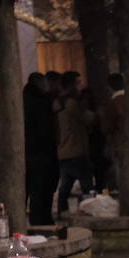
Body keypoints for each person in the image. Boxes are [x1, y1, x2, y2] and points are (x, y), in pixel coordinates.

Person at [55, 71, 93, 218]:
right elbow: (88, 119)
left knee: (65, 187)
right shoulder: (72, 103)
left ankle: (61, 215)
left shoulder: (57, 102)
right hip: (76, 150)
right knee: (87, 187)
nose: (81, 86)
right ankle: (89, 212)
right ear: (71, 84)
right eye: (78, 83)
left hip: (63, 151)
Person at [23, 71, 58, 226]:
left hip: (31, 153)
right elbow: (45, 130)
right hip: (41, 153)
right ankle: (41, 220)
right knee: (41, 190)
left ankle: (39, 220)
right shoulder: (40, 102)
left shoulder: (26, 100)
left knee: (37, 190)